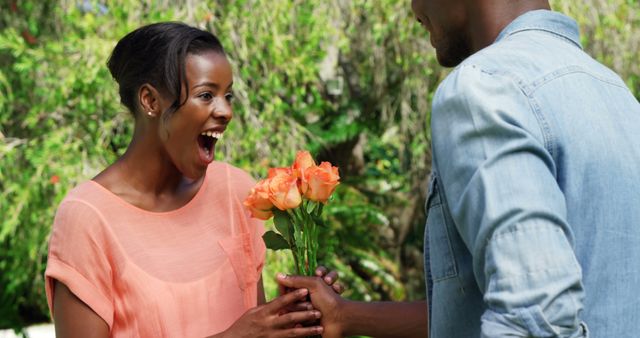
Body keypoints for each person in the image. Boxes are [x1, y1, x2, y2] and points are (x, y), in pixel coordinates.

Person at [278, 0, 640, 337]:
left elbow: (536, 314)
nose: (413, 9)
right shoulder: (617, 96)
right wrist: (345, 315)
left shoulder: (484, 87)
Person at [44, 22, 340, 337]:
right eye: (206, 95)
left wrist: (289, 319)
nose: (225, 111)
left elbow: (251, 327)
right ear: (150, 101)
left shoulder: (235, 191)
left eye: (228, 96)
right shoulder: (86, 218)